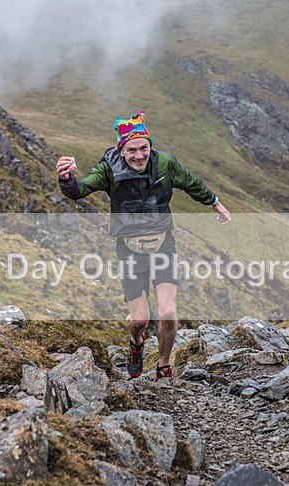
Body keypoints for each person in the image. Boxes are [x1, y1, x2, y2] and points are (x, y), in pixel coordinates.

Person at [56, 109, 231, 380]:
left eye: (144, 148)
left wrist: (215, 203)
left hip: (163, 245)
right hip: (129, 249)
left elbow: (191, 182)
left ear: (150, 146)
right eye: (132, 150)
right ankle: (136, 344)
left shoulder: (165, 164)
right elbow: (80, 190)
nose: (139, 155)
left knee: (169, 313)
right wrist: (66, 179)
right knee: (139, 320)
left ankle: (163, 365)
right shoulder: (108, 169)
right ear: (122, 150)